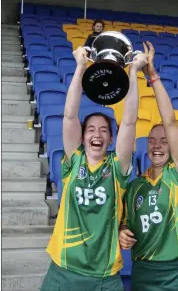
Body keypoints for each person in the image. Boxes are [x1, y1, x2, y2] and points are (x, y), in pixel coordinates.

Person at [40, 46, 147, 291]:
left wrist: (133, 73)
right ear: (82, 136)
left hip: (104, 275)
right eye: (90, 129)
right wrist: (80, 66)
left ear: (110, 139)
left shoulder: (117, 168)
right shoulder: (73, 161)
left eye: (103, 130)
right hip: (64, 268)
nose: (96, 134)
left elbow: (129, 121)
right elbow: (69, 115)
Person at [119, 42, 178, 291]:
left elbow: (171, 122)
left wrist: (152, 76)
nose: (157, 145)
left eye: (164, 141)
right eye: (152, 140)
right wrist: (122, 231)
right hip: (144, 272)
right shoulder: (134, 187)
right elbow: (125, 225)